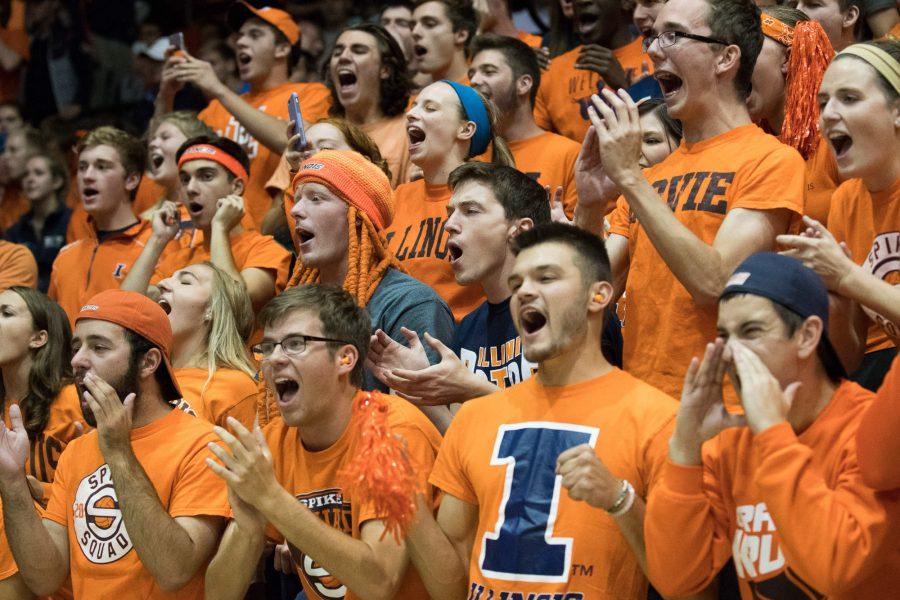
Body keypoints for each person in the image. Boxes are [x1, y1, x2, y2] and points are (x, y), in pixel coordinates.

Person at [406, 223, 676, 599]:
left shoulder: (657, 419)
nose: (525, 293)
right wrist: (405, 499)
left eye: (546, 278)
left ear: (599, 295)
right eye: (516, 285)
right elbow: (451, 586)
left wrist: (620, 499)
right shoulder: (475, 417)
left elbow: (687, 589)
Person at [644, 252, 900, 598]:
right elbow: (676, 580)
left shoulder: (868, 429)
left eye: (751, 332)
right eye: (724, 335)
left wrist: (771, 433)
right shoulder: (730, 442)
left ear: (808, 336)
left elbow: (836, 566)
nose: (731, 352)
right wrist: (684, 449)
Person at [592, 0, 805, 401]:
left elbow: (716, 282)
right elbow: (590, 290)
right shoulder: (650, 176)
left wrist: (629, 179)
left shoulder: (772, 160)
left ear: (726, 57)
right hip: (641, 406)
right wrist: (588, 206)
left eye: (672, 35)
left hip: (723, 410)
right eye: (654, 37)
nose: (653, 49)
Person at [203, 284, 442, 599]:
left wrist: (272, 498)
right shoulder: (274, 441)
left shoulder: (393, 431)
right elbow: (219, 595)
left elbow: (379, 582)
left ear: (344, 359)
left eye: (295, 344)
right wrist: (248, 528)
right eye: (268, 346)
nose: (273, 359)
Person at [0, 289, 229, 597]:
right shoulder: (77, 450)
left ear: (148, 362)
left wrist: (119, 453)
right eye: (77, 347)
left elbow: (174, 570)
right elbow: (46, 579)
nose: (78, 361)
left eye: (99, 347)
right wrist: (12, 483)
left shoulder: (203, 444)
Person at [287, 150, 455, 430]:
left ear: (358, 219)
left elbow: (424, 431)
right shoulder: (295, 303)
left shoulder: (410, 304)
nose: (296, 210)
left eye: (316, 198)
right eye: (298, 199)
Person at [368, 163, 553, 402]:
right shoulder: (468, 329)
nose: (449, 225)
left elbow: (569, 426)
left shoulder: (561, 313)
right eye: (450, 213)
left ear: (520, 230)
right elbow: (458, 431)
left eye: (471, 211)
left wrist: (475, 388)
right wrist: (418, 382)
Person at [779, 39, 899, 390]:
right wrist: (835, 295)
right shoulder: (846, 200)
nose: (827, 114)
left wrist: (846, 275)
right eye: (823, 102)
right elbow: (849, 359)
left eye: (849, 98)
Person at [160, 1, 332, 231]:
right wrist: (166, 94)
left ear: (282, 49)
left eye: (255, 35)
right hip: (218, 237)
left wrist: (219, 90)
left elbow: (298, 142)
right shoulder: (218, 108)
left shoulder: (311, 93)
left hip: (273, 238)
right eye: (240, 36)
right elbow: (161, 151)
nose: (240, 41)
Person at [385, 80, 513, 320]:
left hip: (464, 344)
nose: (411, 114)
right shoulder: (395, 197)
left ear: (465, 129)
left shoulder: (492, 198)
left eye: (430, 108)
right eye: (414, 106)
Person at [120, 136, 291, 312]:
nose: (191, 188)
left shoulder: (266, 250)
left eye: (206, 176)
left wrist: (220, 228)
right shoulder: (179, 259)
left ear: (237, 187)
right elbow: (125, 307)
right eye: (185, 179)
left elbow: (233, 307)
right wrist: (157, 239)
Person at [0, 287, 84, 596]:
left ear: (39, 338)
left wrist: (37, 489)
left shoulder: (74, 403)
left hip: (63, 556)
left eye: (6, 314)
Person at [47, 127, 176, 325]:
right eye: (82, 167)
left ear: (132, 180)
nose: (87, 176)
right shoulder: (65, 256)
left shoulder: (159, 245)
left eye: (102, 167)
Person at [469, 34, 583, 217]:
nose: (474, 80)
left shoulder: (569, 155)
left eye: (489, 71)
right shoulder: (468, 155)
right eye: (471, 74)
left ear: (523, 84)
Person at [748, 7, 837, 225]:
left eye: (749, 50)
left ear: (787, 59)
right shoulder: (747, 149)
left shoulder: (836, 139)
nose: (733, 66)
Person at [156, 262, 260, 430]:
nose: (162, 284)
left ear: (212, 309)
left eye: (185, 282)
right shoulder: (145, 376)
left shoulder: (234, 388)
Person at [534, 0, 652, 143]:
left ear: (625, 2)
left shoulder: (656, 53)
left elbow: (671, 128)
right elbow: (535, 147)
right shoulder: (551, 73)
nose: (582, 2)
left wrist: (624, 88)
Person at [325, 24, 413, 187]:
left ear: (385, 69)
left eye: (359, 51)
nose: (343, 57)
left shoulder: (409, 131)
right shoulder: (319, 135)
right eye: (337, 52)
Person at [5, 152, 72, 292]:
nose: (30, 179)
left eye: (38, 173)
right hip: (26, 302)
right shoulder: (16, 230)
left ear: (57, 181)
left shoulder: (71, 221)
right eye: (26, 174)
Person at [133, 111, 215, 220]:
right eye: (153, 139)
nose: (152, 144)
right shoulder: (146, 220)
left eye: (165, 137)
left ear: (193, 144)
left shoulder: (218, 214)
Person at [412, 0, 478, 84]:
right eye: (412, 26)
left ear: (461, 35)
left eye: (430, 24)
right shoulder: (413, 94)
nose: (414, 32)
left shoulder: (479, 93)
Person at [0, 126, 42, 232]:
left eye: (13, 150)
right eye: (4, 150)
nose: (5, 156)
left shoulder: (47, 194)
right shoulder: (7, 190)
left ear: (34, 154)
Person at [796, 0, 862, 51]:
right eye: (793, 5)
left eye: (813, 5)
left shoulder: (861, 66)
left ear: (849, 16)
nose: (796, 12)